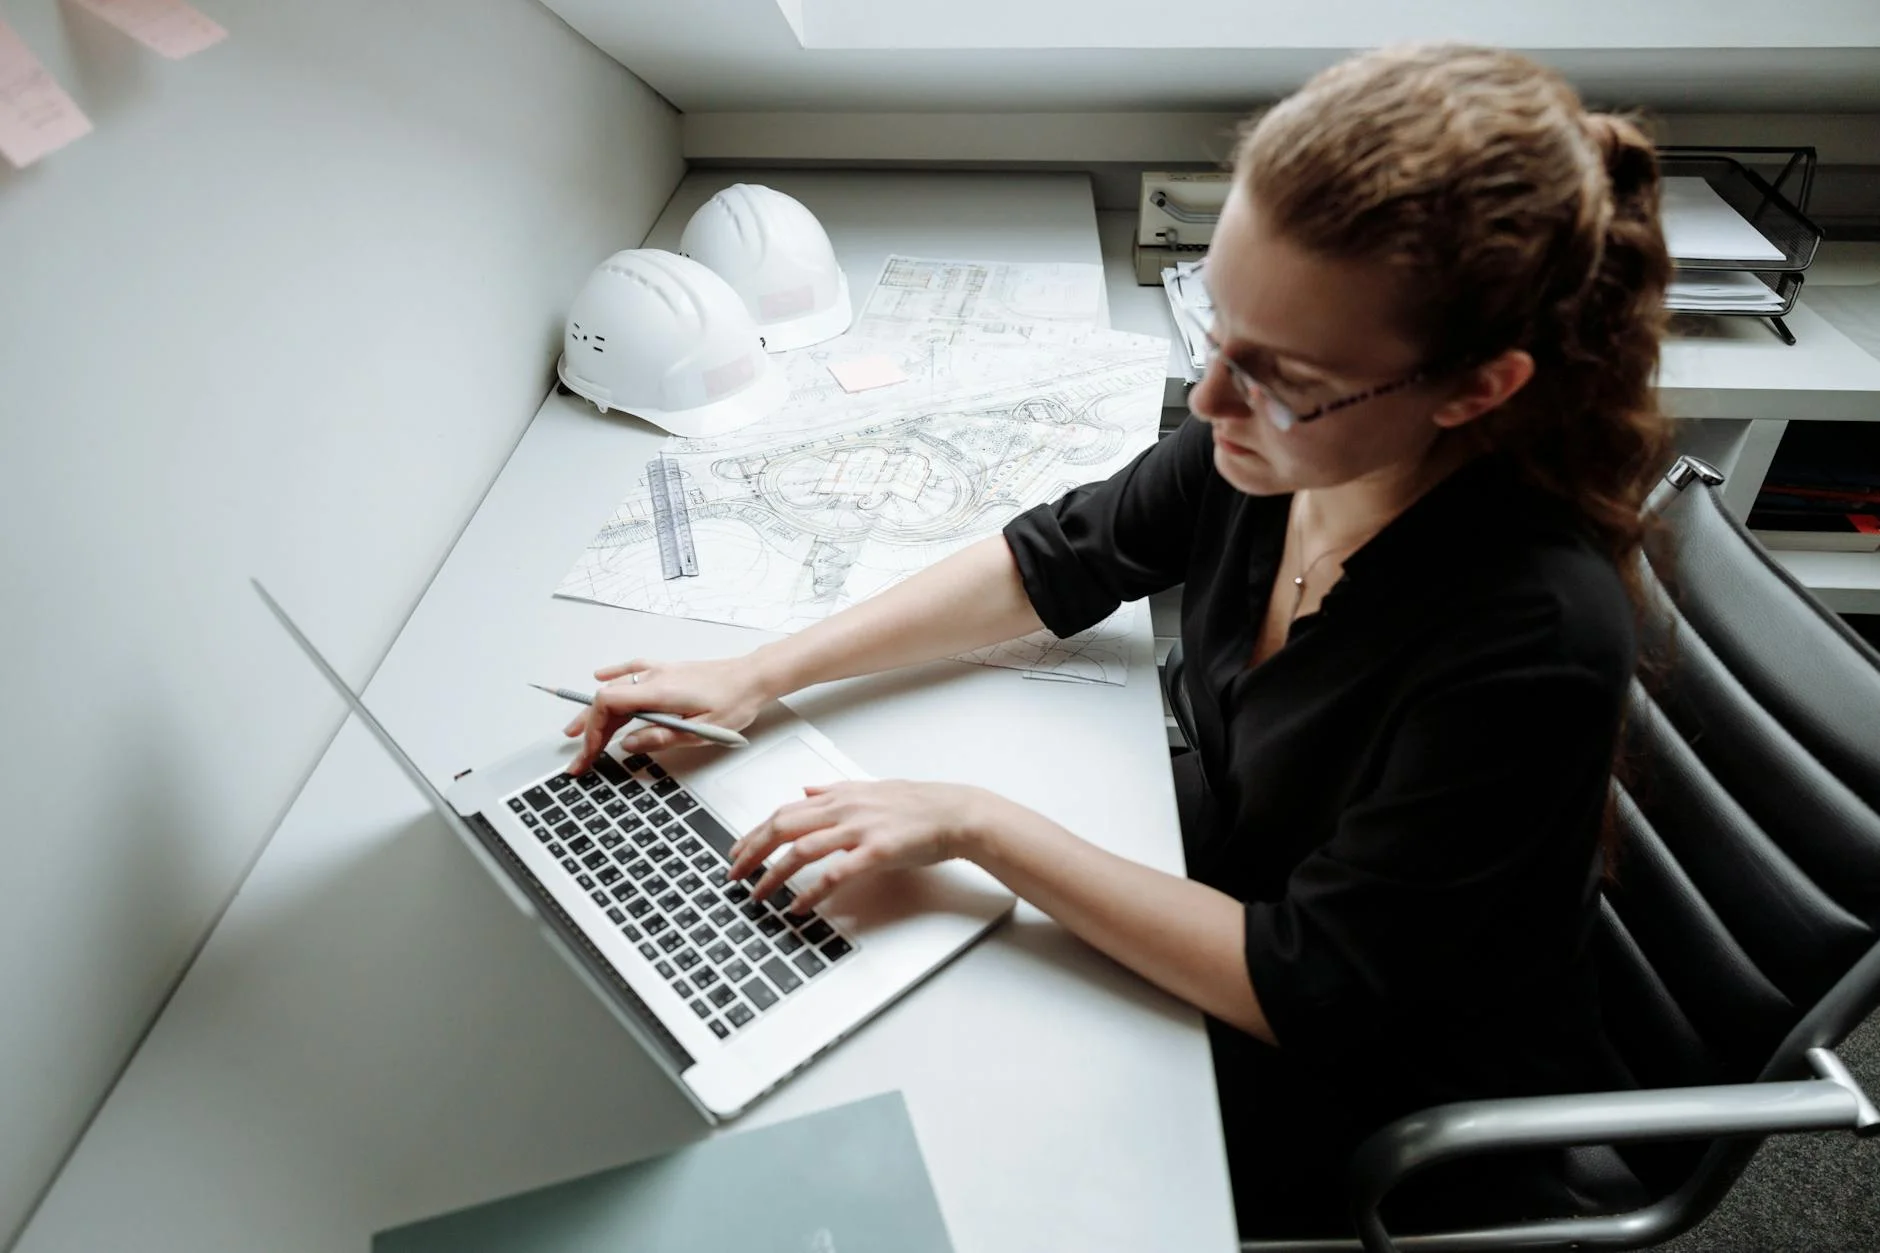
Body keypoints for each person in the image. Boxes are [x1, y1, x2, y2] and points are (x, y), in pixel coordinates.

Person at [564, 43, 1674, 1238]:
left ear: (1472, 388)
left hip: (1378, 1092)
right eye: (1215, 329)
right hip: (1241, 908)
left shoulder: (1528, 633)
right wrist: (762, 669)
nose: (1206, 403)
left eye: (1280, 376)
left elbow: (1312, 988)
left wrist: (976, 822)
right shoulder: (1277, 439)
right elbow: (1058, 557)